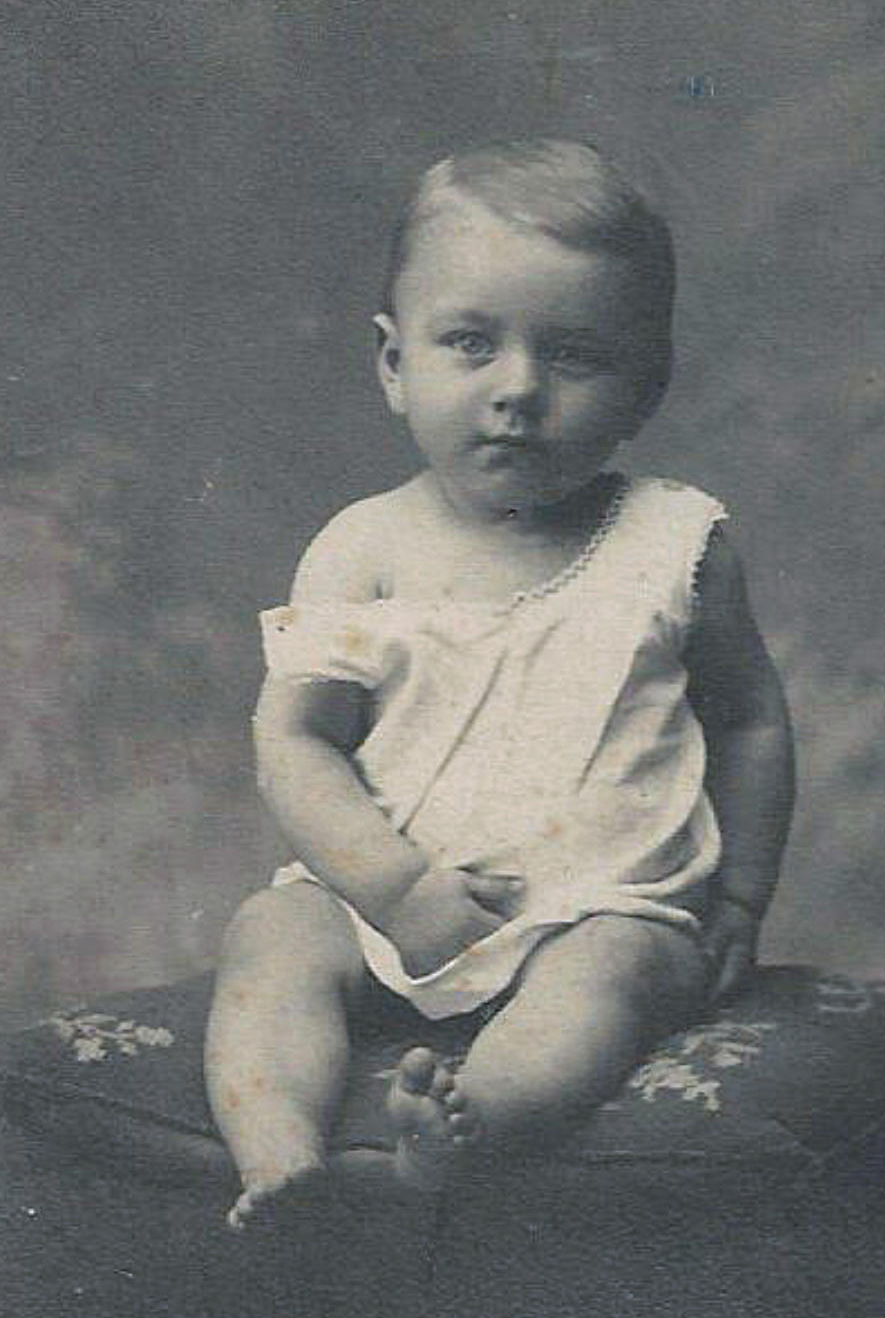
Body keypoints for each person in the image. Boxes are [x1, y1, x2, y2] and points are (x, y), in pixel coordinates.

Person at [204, 139, 795, 1230]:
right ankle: (281, 1163)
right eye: (471, 343)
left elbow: (751, 716)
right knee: (272, 935)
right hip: (389, 901)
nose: (518, 389)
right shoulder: (363, 547)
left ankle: (464, 1129)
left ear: (645, 387)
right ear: (395, 364)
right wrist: (391, 889)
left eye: (573, 355)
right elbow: (295, 739)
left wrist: (741, 897)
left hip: (601, 902)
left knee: (612, 973)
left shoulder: (674, 540)